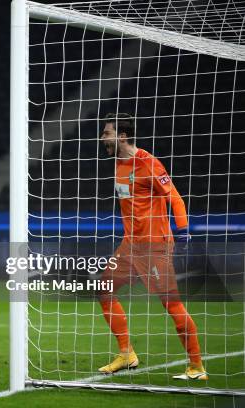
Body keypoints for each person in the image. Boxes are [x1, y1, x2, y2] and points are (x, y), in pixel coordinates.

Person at [97, 113, 207, 380]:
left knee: (172, 305)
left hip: (154, 248)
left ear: (122, 136)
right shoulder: (118, 164)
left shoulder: (149, 163)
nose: (102, 138)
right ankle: (126, 354)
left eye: (107, 133)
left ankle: (196, 366)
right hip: (130, 245)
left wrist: (182, 232)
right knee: (104, 289)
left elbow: (176, 199)